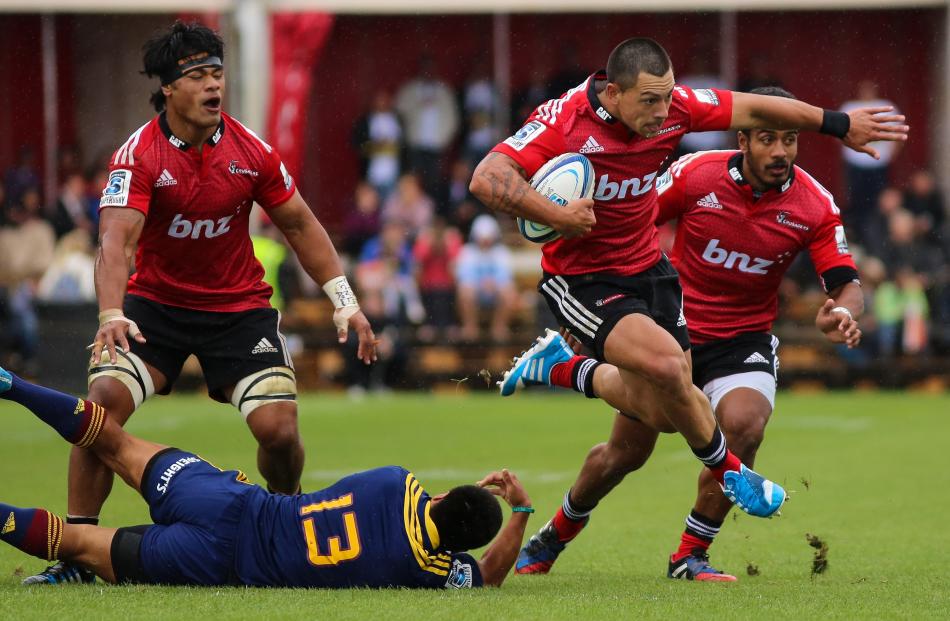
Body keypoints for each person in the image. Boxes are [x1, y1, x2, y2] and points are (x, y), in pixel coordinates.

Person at [470, 37, 906, 567]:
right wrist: (556, 215)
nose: (663, 113)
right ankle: (723, 479)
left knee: (687, 421)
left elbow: (843, 279)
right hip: (588, 280)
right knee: (653, 399)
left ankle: (569, 375)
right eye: (649, 102)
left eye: (789, 140)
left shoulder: (803, 197)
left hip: (683, 298)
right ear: (613, 92)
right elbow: (488, 178)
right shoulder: (580, 128)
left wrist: (839, 124)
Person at [24, 21, 377, 585]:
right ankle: (78, 553)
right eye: (198, 75)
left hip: (237, 310)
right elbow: (115, 241)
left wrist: (344, 301)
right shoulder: (137, 155)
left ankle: (284, 530)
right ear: (168, 87)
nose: (214, 85)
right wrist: (111, 314)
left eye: (218, 73)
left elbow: (300, 224)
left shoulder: (251, 151)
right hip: (154, 307)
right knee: (100, 407)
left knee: (280, 433)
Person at [0, 367, 531, 588]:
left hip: (230, 500)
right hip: (218, 561)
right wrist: (521, 514)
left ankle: (14, 386)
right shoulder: (426, 569)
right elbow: (489, 572)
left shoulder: (397, 482)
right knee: (75, 543)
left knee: (111, 439)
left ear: (440, 494)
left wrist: (493, 499)